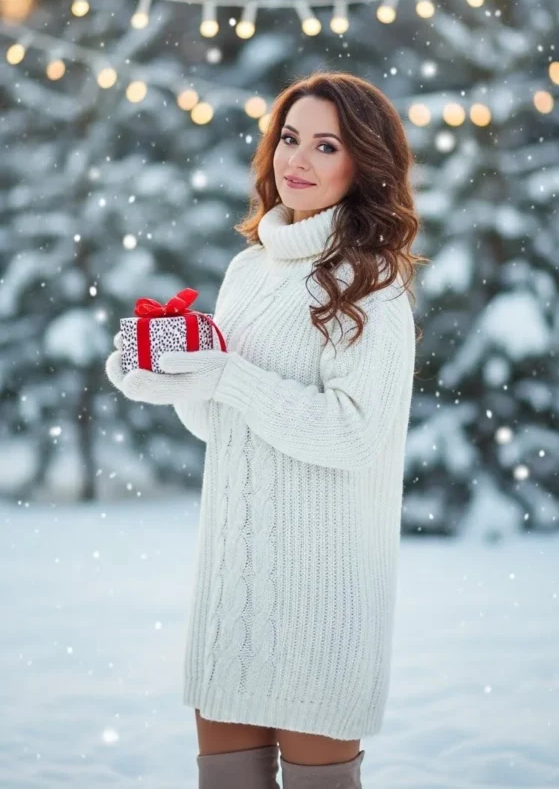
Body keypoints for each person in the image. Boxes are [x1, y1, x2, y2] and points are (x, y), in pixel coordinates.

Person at [106, 71, 427, 789]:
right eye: (289, 138)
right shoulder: (248, 270)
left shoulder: (372, 282)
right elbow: (226, 426)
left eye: (325, 145)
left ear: (363, 164)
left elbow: (354, 436)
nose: (298, 161)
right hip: (235, 583)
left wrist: (227, 376)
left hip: (324, 592)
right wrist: (173, 381)